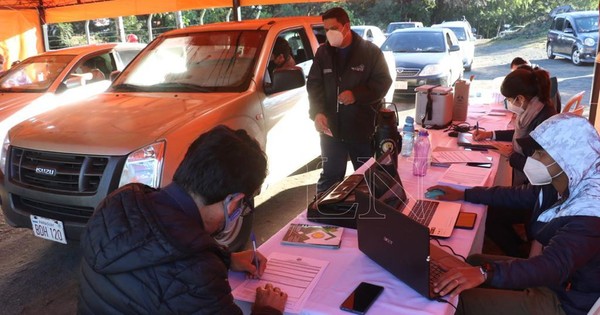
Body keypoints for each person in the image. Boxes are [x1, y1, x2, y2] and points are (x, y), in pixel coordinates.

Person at [78, 125, 288, 314]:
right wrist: (267, 310)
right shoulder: (196, 271)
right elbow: (178, 266)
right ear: (233, 201)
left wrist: (226, 259)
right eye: (241, 206)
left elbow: (155, 250)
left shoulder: (116, 205)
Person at [428, 113, 600, 315]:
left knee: (456, 301)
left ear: (567, 157)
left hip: (566, 301)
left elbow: (554, 265)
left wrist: (485, 273)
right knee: (472, 261)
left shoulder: (590, 211)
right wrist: (464, 194)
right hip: (555, 281)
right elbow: (518, 195)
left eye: (541, 154)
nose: (533, 159)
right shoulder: (569, 177)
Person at [307, 7, 392, 193]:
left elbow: (383, 82)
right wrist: (317, 112)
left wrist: (357, 94)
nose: (330, 33)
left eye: (334, 28)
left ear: (346, 26)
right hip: (331, 130)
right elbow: (314, 85)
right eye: (326, 29)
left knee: (368, 176)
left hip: (361, 128)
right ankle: (325, 213)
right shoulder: (323, 53)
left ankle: (372, 216)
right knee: (330, 177)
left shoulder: (370, 52)